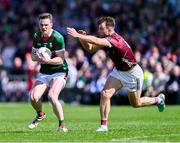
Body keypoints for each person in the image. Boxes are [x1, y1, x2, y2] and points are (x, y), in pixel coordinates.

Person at [67, 16, 165, 132]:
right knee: (105, 94)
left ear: (109, 28)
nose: (99, 30)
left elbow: (96, 41)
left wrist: (79, 35)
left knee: (136, 103)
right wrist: (82, 39)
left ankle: (158, 100)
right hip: (119, 71)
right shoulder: (107, 39)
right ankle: (103, 126)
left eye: (101, 28)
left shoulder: (115, 40)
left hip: (133, 73)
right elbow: (91, 49)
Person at [28, 13, 68, 132]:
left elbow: (61, 59)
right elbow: (33, 56)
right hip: (44, 72)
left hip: (59, 71)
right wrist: (39, 58)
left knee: (52, 96)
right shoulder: (37, 36)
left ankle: (62, 125)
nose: (44, 27)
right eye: (41, 25)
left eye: (46, 25)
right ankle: (40, 114)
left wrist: (48, 60)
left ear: (51, 25)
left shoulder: (58, 37)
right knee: (33, 98)